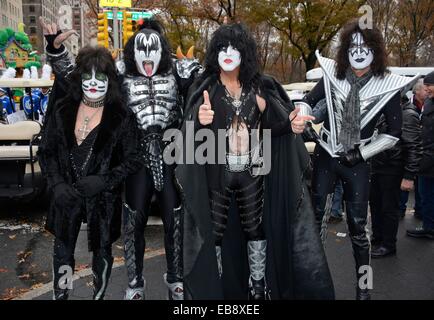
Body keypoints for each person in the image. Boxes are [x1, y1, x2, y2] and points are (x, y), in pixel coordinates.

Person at [175, 22, 334, 300]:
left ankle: (258, 287)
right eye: (222, 47)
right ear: (215, 52)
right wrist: (199, 122)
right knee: (216, 230)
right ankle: (218, 286)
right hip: (217, 170)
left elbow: (276, 125)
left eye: (234, 48)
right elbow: (189, 130)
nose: (227, 53)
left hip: (253, 169)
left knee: (254, 228)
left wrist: (291, 126)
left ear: (244, 53)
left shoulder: (259, 87)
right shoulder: (206, 88)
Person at [299, 20, 417, 299]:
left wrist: (362, 153)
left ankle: (363, 289)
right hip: (327, 157)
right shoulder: (332, 76)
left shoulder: (386, 86)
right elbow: (307, 100)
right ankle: (313, 282)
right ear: (345, 50)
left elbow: (395, 132)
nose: (359, 52)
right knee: (316, 221)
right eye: (354, 46)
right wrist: (304, 117)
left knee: (357, 227)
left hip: (358, 164)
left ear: (375, 51)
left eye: (365, 47)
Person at [38, 20, 143, 299]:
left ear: (110, 81)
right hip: (66, 195)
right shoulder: (62, 109)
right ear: (80, 78)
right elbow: (46, 151)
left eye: (101, 78)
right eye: (88, 77)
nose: (94, 84)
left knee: (102, 252)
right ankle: (62, 297)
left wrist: (104, 181)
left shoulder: (121, 116)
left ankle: (99, 297)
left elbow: (133, 159)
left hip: (102, 201)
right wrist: (57, 184)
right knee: (62, 253)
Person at [120, 18, 202, 300]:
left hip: (170, 152)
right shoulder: (122, 73)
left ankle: (176, 278)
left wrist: (195, 71)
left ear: (161, 50)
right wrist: (56, 52)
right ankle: (134, 282)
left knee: (174, 218)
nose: (147, 54)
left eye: (153, 47)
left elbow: (204, 87)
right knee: (134, 220)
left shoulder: (176, 72)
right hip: (137, 155)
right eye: (141, 48)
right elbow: (81, 80)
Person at [370, 92, 422, 258]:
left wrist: (409, 176)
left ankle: (388, 244)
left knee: (389, 208)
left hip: (393, 168)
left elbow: (414, 146)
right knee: (376, 205)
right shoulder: (382, 111)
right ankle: (378, 238)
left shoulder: (407, 115)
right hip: (377, 166)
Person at [407, 71, 434, 239]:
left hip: (429, 157)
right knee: (425, 195)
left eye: (429, 86)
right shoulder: (429, 103)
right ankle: (428, 225)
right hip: (426, 156)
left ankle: (429, 228)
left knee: (428, 195)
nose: (427, 89)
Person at [399, 80, 428, 218]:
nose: (427, 92)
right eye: (425, 89)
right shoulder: (408, 107)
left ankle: (420, 210)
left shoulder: (429, 105)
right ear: (416, 91)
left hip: (424, 151)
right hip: (409, 151)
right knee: (406, 181)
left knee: (421, 184)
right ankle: (400, 209)